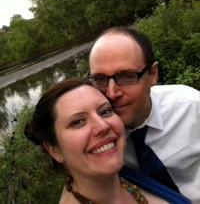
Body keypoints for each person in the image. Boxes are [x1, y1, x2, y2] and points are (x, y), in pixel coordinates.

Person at [24, 79, 191, 204]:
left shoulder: (127, 176)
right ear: (54, 149)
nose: (102, 126)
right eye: (77, 122)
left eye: (105, 111)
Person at [88, 26, 200, 204]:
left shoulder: (191, 107)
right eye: (100, 79)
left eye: (127, 76)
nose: (111, 93)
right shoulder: (95, 138)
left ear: (153, 75)